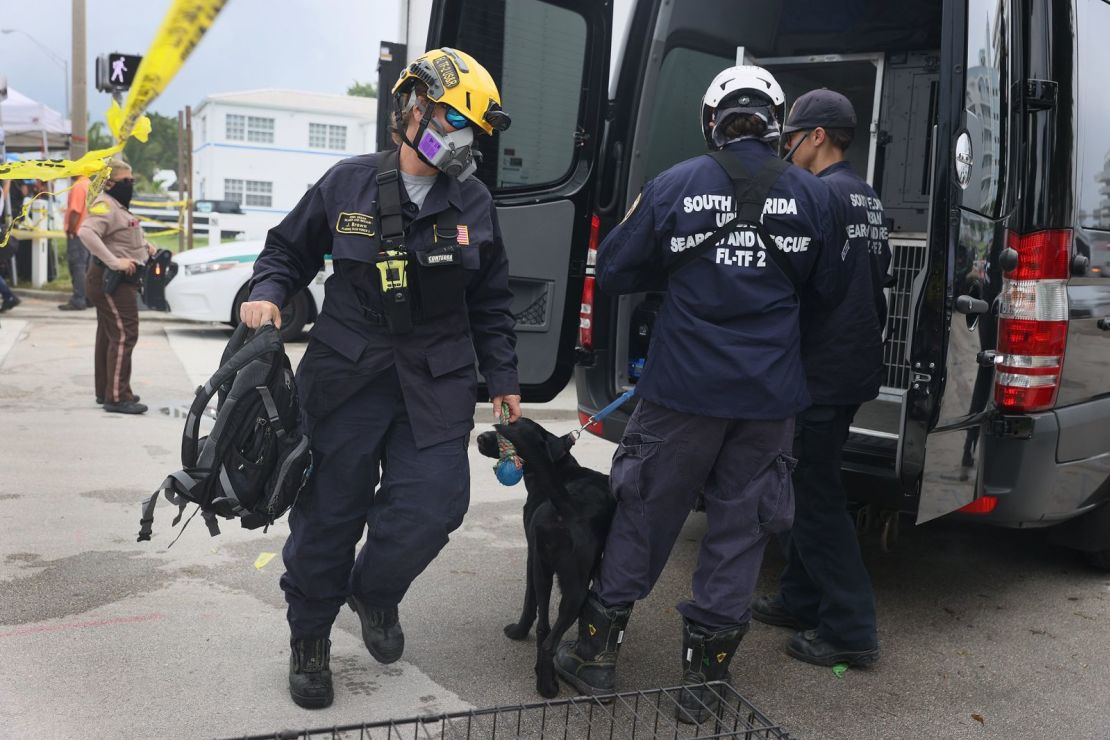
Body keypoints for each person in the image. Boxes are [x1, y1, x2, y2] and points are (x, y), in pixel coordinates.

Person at [554, 66, 849, 721]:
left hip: (679, 391)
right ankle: (703, 690)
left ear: (709, 120)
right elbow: (829, 293)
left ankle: (595, 659)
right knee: (741, 533)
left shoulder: (674, 185)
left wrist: (684, 263)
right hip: (768, 401)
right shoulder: (815, 196)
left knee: (644, 514)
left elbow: (618, 271)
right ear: (777, 124)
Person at [239, 48, 519, 710]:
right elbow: (287, 250)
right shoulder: (348, 182)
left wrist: (505, 380)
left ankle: (376, 593)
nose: (461, 139)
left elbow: (493, 301)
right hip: (345, 378)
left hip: (437, 378)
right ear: (413, 107)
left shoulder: (473, 201)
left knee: (435, 506)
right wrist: (269, 291)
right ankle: (309, 637)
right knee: (327, 516)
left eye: (469, 130)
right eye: (452, 121)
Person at [752, 89, 892, 668]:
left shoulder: (816, 196)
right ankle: (801, 597)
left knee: (815, 502)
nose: (784, 147)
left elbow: (806, 286)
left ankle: (851, 630)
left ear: (816, 137)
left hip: (820, 373)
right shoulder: (866, 197)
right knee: (811, 488)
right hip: (853, 367)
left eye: (789, 137)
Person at [78, 160, 153, 414]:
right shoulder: (104, 205)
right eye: (126, 181)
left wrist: (145, 247)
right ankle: (118, 396)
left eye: (132, 181)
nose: (130, 185)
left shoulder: (116, 205)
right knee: (124, 334)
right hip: (111, 281)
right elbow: (86, 233)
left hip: (114, 281)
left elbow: (122, 234)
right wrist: (114, 262)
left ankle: (107, 390)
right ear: (110, 183)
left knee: (109, 335)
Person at [59, 175, 92, 310]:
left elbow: (75, 211)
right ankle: (89, 298)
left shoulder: (78, 186)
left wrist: (72, 230)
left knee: (78, 266)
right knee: (88, 268)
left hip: (78, 233)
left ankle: (79, 299)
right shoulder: (90, 184)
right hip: (90, 232)